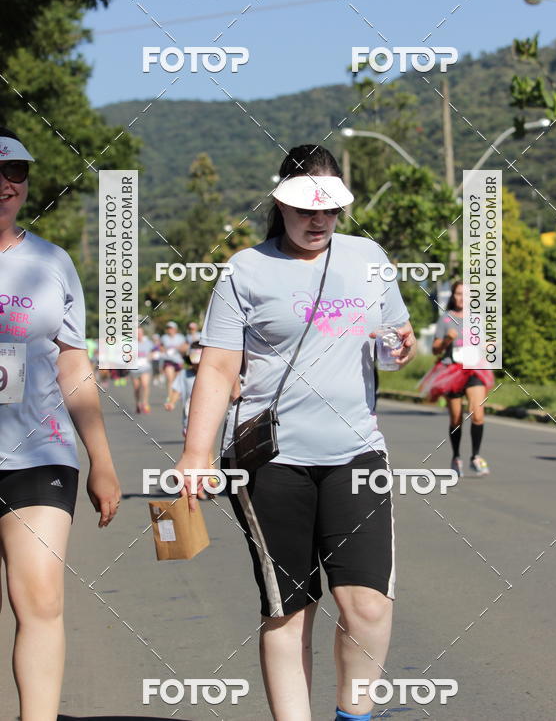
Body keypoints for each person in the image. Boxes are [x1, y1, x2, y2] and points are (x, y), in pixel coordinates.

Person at [175, 144, 416, 721]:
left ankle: (352, 716)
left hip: (357, 454)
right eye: (306, 208)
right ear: (279, 203)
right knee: (288, 610)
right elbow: (217, 367)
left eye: (330, 209)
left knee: (368, 607)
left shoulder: (368, 257)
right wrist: (195, 452)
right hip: (272, 464)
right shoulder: (245, 270)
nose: (318, 220)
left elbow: (396, 331)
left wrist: (402, 343)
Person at [0, 126, 121, 721]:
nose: (5, 184)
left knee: (40, 598)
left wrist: (101, 458)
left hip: (39, 454)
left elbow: (74, 363)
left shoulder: (51, 262)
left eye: (16, 173)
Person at [420, 281, 494, 477]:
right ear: (453, 296)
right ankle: (456, 457)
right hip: (451, 371)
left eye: (466, 294)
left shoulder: (477, 320)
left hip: (474, 369)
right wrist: (446, 341)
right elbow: (435, 349)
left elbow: (483, 343)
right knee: (456, 418)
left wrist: (488, 346)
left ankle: (476, 457)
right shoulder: (445, 320)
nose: (462, 298)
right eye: (459, 294)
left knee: (477, 413)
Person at [130, 326, 153, 414]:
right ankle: (138, 403)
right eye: (137, 333)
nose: (139, 334)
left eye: (140, 333)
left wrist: (150, 356)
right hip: (134, 368)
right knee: (136, 388)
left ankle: (145, 403)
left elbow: (153, 352)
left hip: (145, 367)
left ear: (143, 333)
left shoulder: (148, 343)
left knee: (145, 384)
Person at [160, 320, 185, 394]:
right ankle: (170, 397)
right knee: (170, 379)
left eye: (171, 328)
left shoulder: (180, 337)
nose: (169, 330)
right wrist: (165, 350)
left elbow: (184, 348)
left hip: (178, 360)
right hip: (168, 360)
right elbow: (161, 347)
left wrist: (177, 348)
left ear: (175, 329)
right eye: (168, 328)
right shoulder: (164, 337)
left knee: (177, 380)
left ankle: (175, 396)